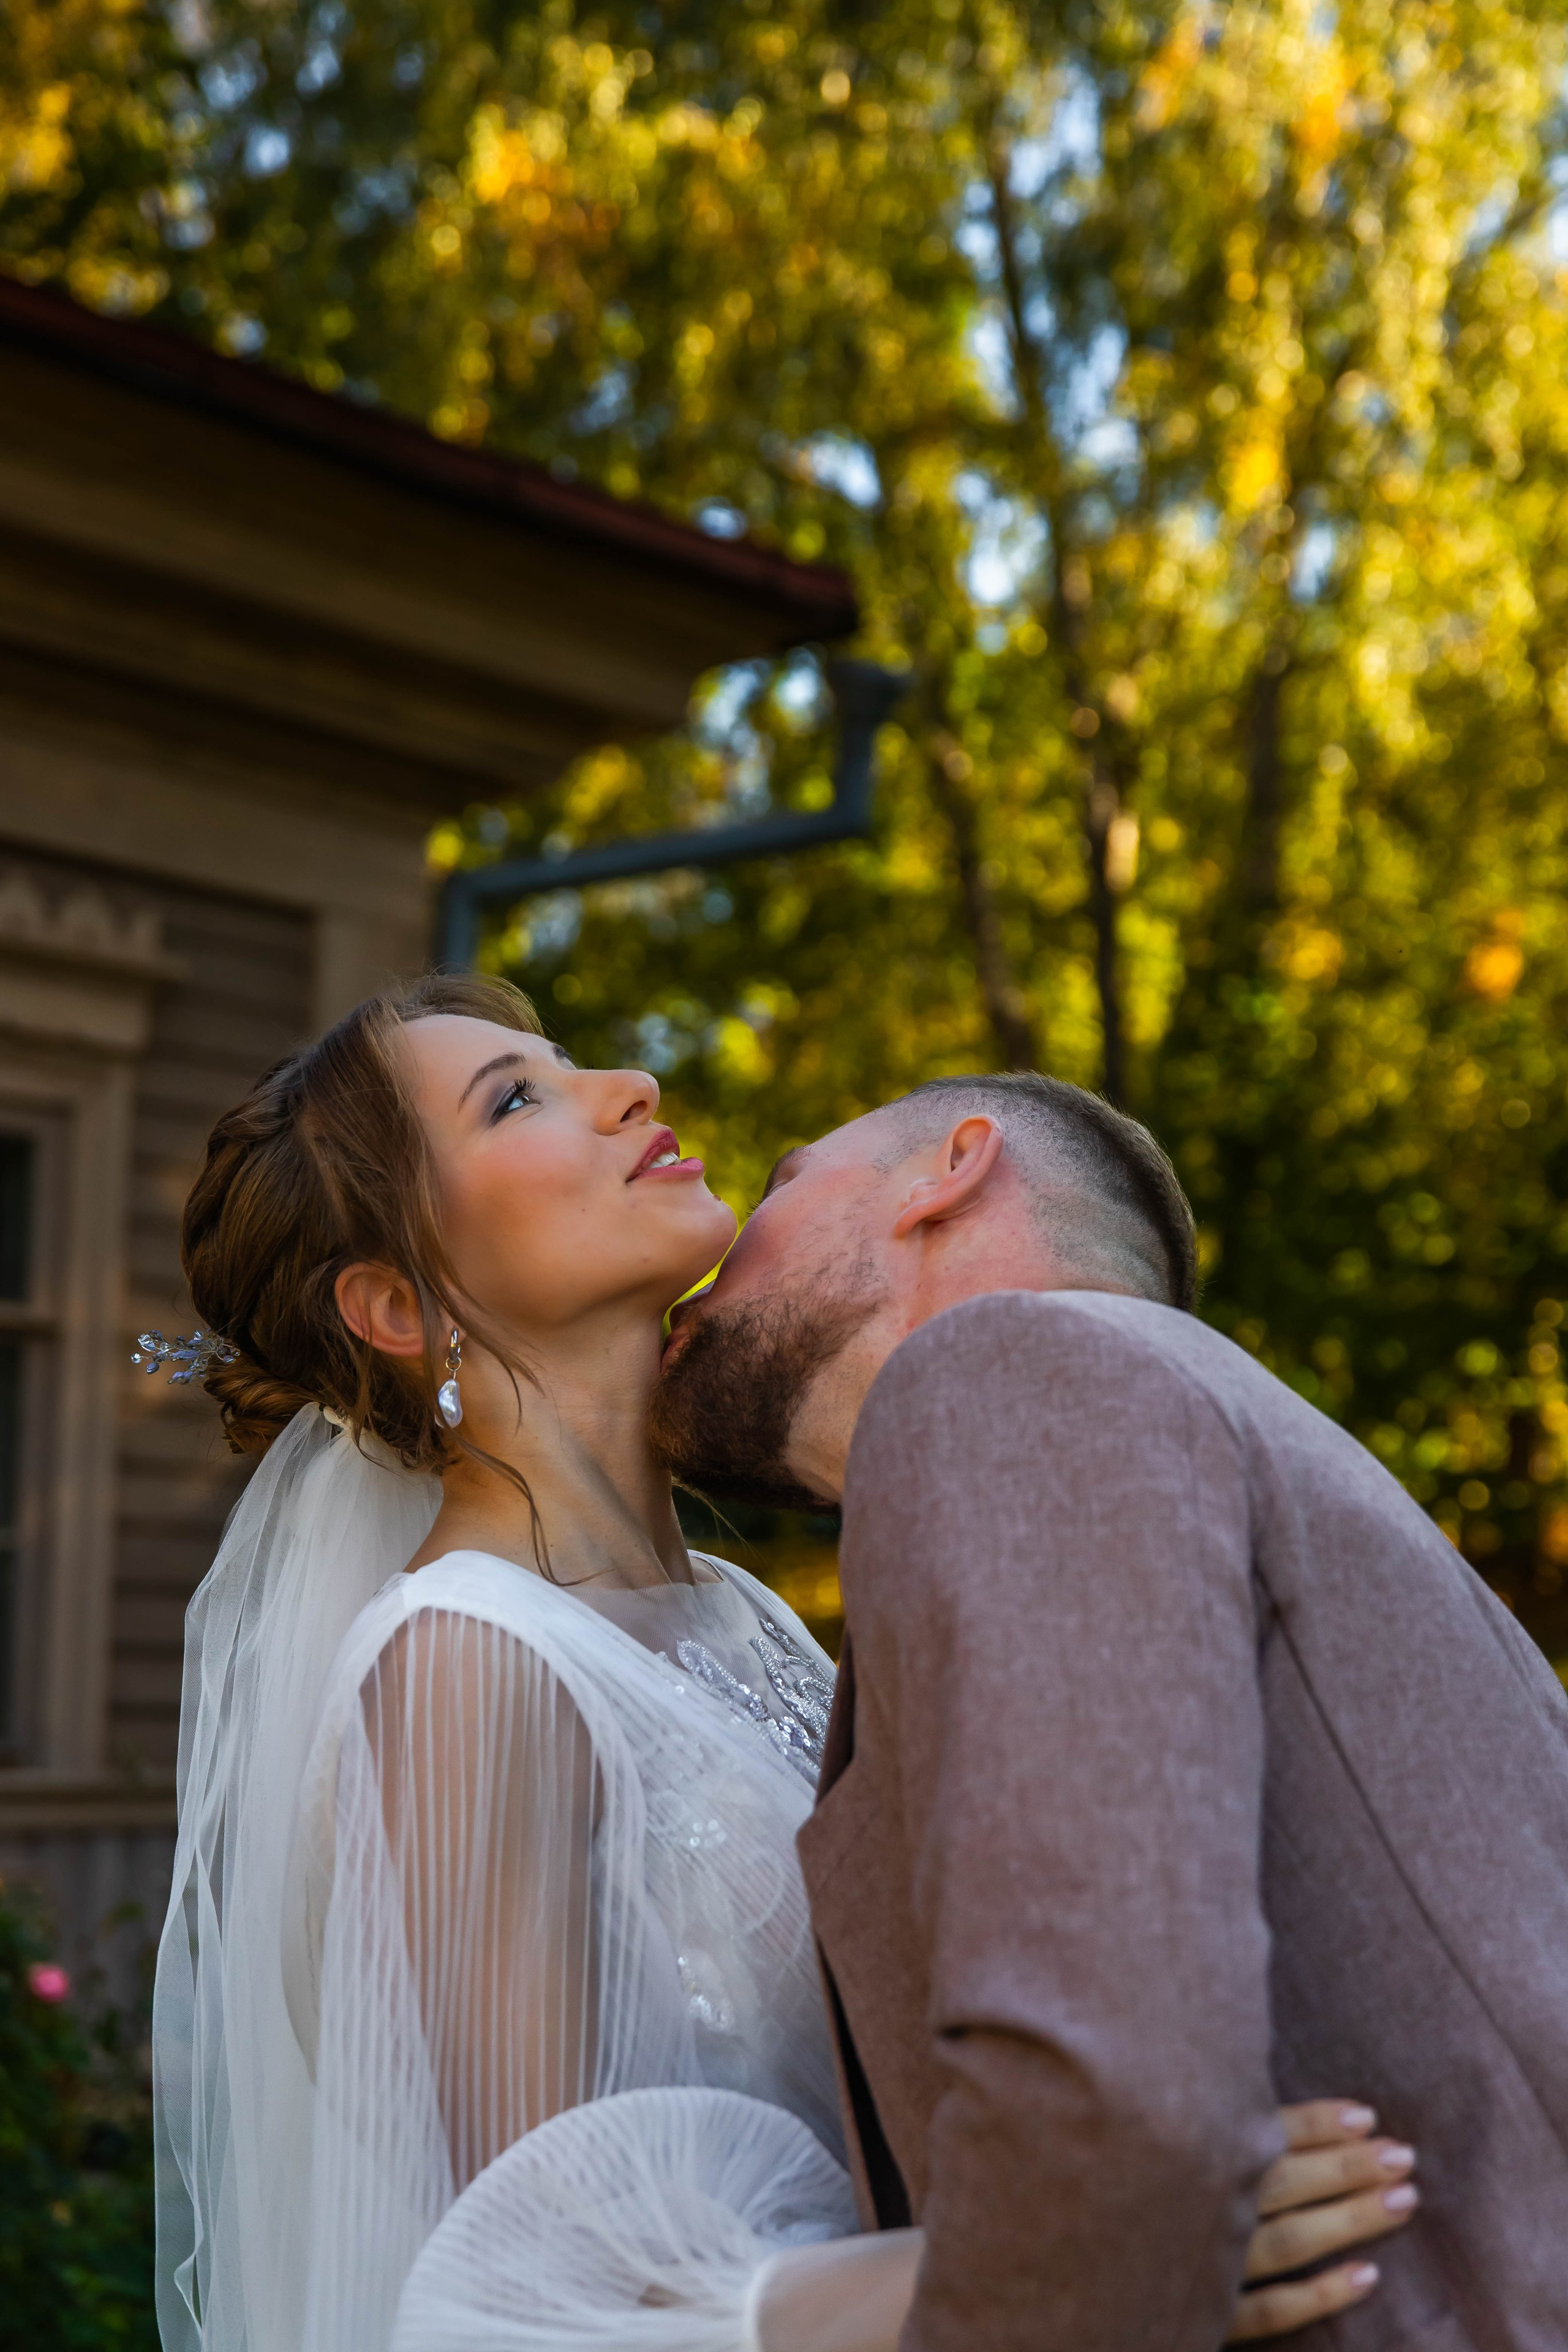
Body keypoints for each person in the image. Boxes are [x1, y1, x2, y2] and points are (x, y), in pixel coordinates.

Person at [152, 977, 1413, 2352]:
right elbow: (543, 2282)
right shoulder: (463, 1659)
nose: (625, 1086)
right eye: (515, 1097)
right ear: (396, 1305)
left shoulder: (744, 1616)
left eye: (568, 1060)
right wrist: (1061, 2263)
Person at [651, 1069, 1568, 2351]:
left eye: (786, 1180)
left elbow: (1113, 2109)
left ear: (949, 1170)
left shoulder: (1009, 1373)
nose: (711, 1260)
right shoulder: (1198, 1435)